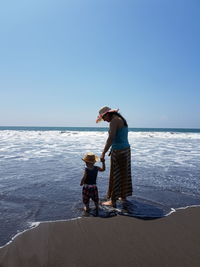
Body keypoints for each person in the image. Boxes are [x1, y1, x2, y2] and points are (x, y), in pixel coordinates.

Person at [96, 106, 132, 207]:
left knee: (115, 175)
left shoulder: (114, 121)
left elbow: (111, 138)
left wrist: (103, 152)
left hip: (118, 151)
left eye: (103, 117)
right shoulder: (121, 119)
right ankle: (123, 196)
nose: (104, 120)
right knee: (124, 174)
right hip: (126, 150)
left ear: (108, 114)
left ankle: (113, 200)